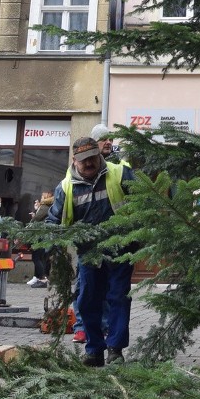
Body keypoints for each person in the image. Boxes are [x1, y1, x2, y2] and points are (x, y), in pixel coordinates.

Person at [46, 136, 135, 366]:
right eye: (84, 160)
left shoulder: (119, 174)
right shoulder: (66, 188)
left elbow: (141, 203)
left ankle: (115, 349)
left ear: (99, 155)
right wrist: (50, 245)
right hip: (88, 252)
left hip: (120, 248)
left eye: (93, 158)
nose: (89, 163)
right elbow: (54, 220)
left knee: (118, 297)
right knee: (87, 300)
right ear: (74, 160)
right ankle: (94, 350)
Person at [26, 192, 53, 287]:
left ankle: (42, 279)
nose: (40, 198)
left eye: (42, 196)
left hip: (40, 235)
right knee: (39, 257)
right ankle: (38, 277)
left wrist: (36, 211)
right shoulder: (47, 207)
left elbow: (37, 218)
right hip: (41, 234)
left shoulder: (45, 207)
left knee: (37, 257)